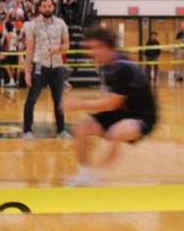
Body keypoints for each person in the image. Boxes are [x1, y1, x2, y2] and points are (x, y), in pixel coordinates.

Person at [63, 25, 158, 186]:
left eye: (92, 48)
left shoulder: (121, 67)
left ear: (104, 46)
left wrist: (78, 104)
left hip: (142, 117)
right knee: (80, 128)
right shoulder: (106, 65)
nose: (89, 53)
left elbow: (110, 103)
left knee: (116, 132)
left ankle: (96, 176)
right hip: (119, 112)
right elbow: (109, 100)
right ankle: (84, 174)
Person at [22, 0, 70, 139]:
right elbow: (29, 49)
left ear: (53, 6)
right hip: (39, 66)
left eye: (49, 6)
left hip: (57, 68)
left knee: (58, 100)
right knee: (32, 99)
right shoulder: (33, 25)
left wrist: (59, 48)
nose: (47, 8)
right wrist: (27, 71)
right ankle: (27, 130)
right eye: (44, 6)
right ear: (40, 8)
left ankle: (61, 130)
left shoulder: (61, 23)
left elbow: (67, 46)